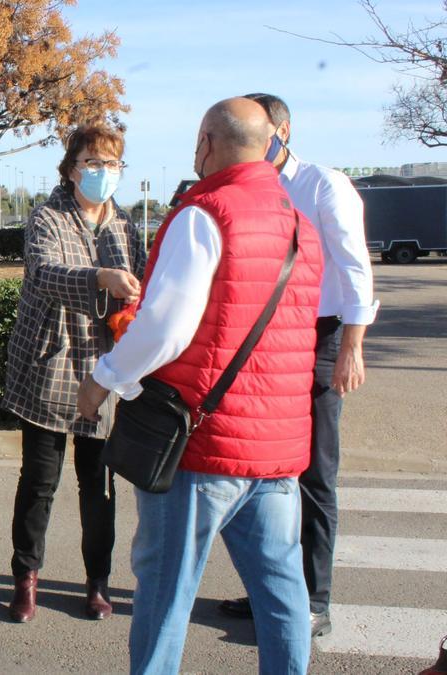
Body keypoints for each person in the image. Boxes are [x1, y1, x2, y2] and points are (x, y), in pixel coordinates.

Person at [77, 97, 324, 673]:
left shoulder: (205, 212)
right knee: (281, 590)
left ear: (206, 143)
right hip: (276, 445)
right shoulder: (298, 223)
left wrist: (104, 379)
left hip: (201, 443)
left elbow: (164, 326)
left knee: (165, 591)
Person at [216, 93, 379, 638]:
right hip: (263, 339)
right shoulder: (245, 187)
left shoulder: (323, 185)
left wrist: (352, 347)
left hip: (320, 337)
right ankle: (269, 586)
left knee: (314, 474)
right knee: (265, 469)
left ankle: (315, 599)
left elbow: (355, 268)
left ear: (281, 129)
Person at [1, 123, 145, 623]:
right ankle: (26, 578)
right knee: (39, 482)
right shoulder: (47, 217)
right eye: (93, 163)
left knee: (98, 485)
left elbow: (142, 288)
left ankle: (97, 582)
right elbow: (43, 274)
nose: (103, 173)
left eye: (112, 164)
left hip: (104, 372)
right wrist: (100, 277)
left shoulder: (125, 226)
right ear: (70, 168)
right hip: (50, 364)